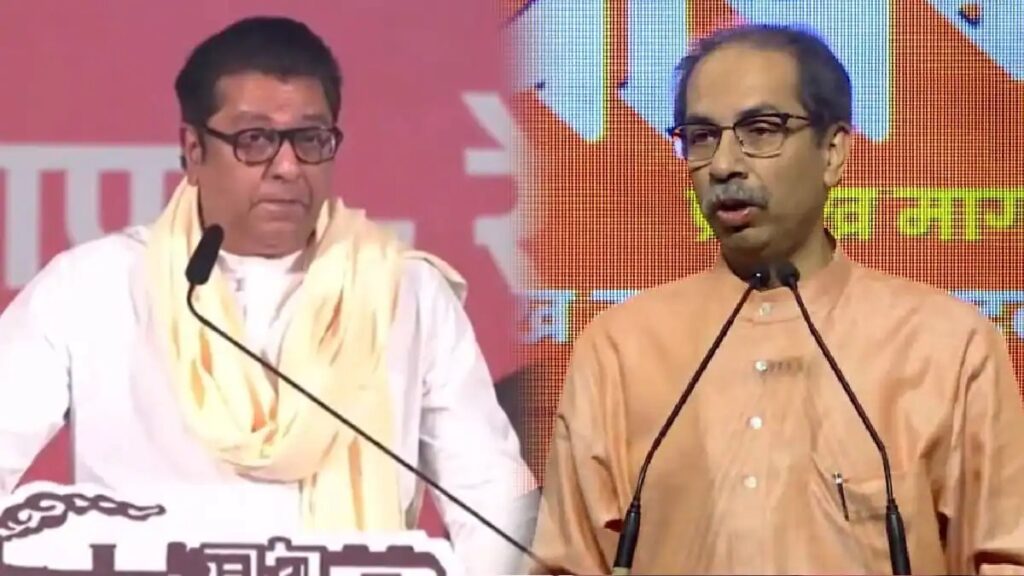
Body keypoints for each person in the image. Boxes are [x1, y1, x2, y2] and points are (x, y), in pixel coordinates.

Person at [0, 16, 536, 575]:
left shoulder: (404, 293)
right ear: (193, 149)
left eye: (310, 139)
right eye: (254, 140)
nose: (287, 168)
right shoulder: (92, 287)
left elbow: (495, 504)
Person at [527, 24, 1024, 575]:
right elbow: (566, 563)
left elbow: (1005, 557)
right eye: (701, 137)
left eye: (761, 131)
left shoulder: (947, 344)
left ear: (833, 152)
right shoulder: (620, 348)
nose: (723, 165)